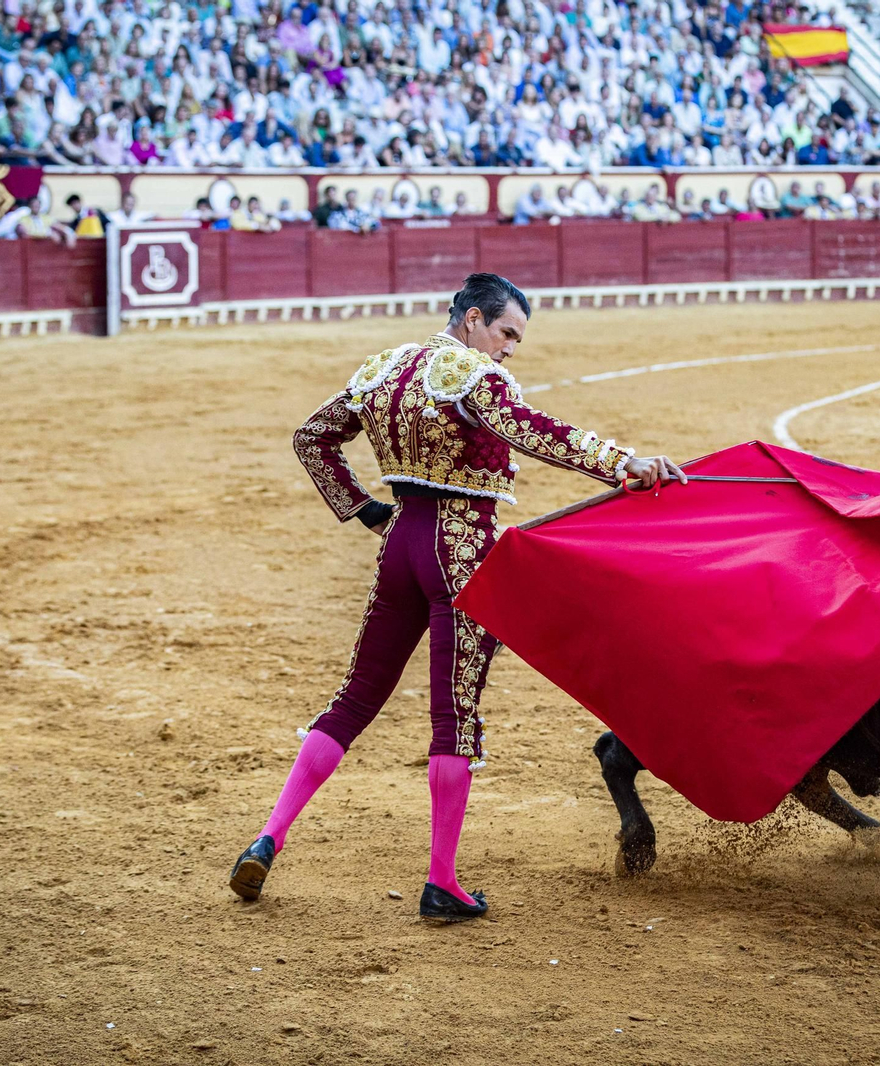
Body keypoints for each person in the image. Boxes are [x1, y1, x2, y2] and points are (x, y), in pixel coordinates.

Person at [229, 273, 687, 919]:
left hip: (401, 544)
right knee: (454, 716)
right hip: (462, 551)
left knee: (356, 696)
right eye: (506, 333)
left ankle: (268, 837)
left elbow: (311, 437)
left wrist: (364, 511)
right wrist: (624, 463)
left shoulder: (383, 368)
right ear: (473, 319)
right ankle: (441, 880)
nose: (509, 349)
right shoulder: (474, 376)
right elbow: (533, 431)